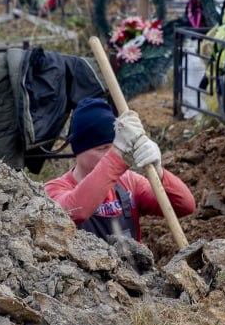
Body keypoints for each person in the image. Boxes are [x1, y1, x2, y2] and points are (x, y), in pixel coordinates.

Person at [44, 97, 196, 242]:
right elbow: (75, 211)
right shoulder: (54, 190)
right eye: (102, 148)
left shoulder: (130, 182)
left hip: (132, 269)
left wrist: (159, 171)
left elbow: (185, 206)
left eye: (112, 147)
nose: (108, 155)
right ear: (78, 151)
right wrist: (117, 154)